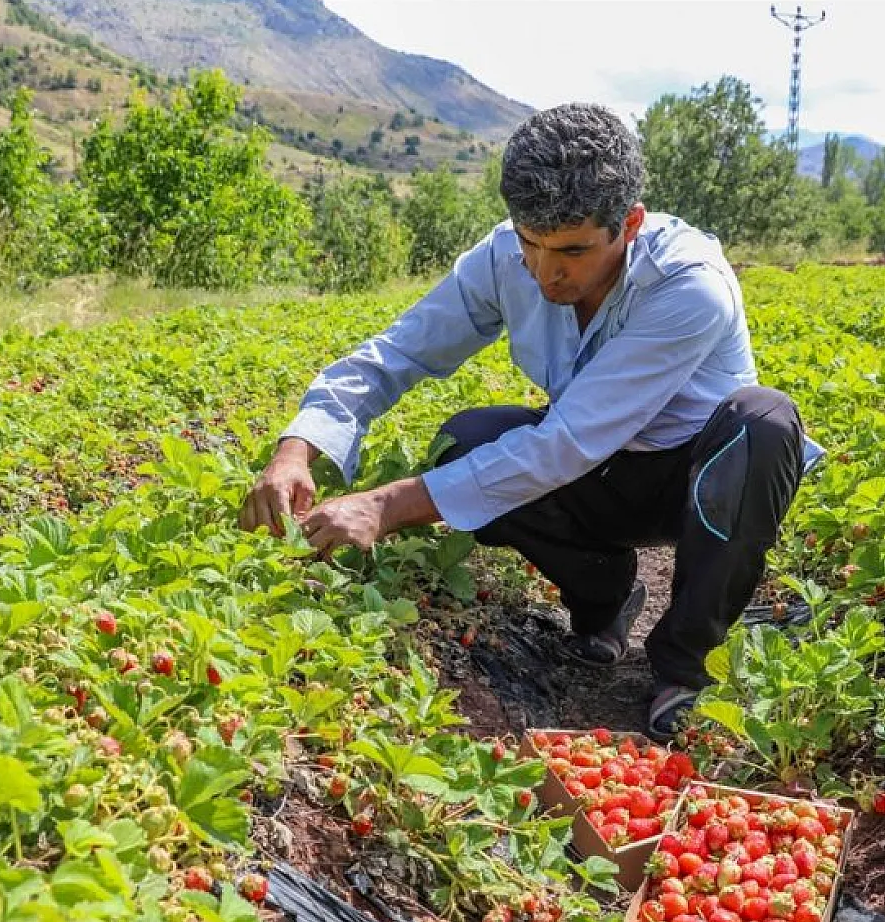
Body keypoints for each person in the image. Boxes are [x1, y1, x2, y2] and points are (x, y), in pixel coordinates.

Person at [240, 102, 822, 738]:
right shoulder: (502, 259)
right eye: (531, 244)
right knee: (465, 443)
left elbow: (567, 441)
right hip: (596, 475)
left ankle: (685, 662)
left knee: (762, 422)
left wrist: (385, 504)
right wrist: (298, 448)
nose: (547, 273)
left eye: (572, 250)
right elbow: (399, 351)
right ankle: (604, 600)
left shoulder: (687, 285)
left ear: (628, 225)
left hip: (696, 482)